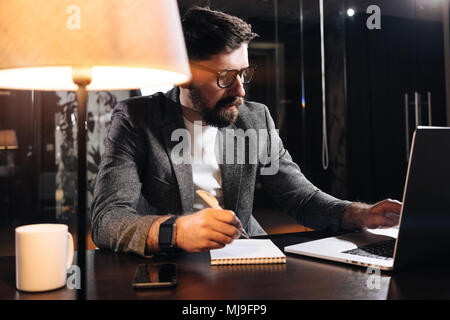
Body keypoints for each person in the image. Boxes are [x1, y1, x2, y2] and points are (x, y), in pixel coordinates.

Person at [90, 6, 401, 257]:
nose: (240, 89)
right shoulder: (137, 118)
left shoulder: (256, 119)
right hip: (169, 265)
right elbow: (108, 220)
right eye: (225, 76)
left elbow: (302, 200)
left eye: (244, 73)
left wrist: (362, 214)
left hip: (247, 257)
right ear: (184, 76)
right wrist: (178, 232)